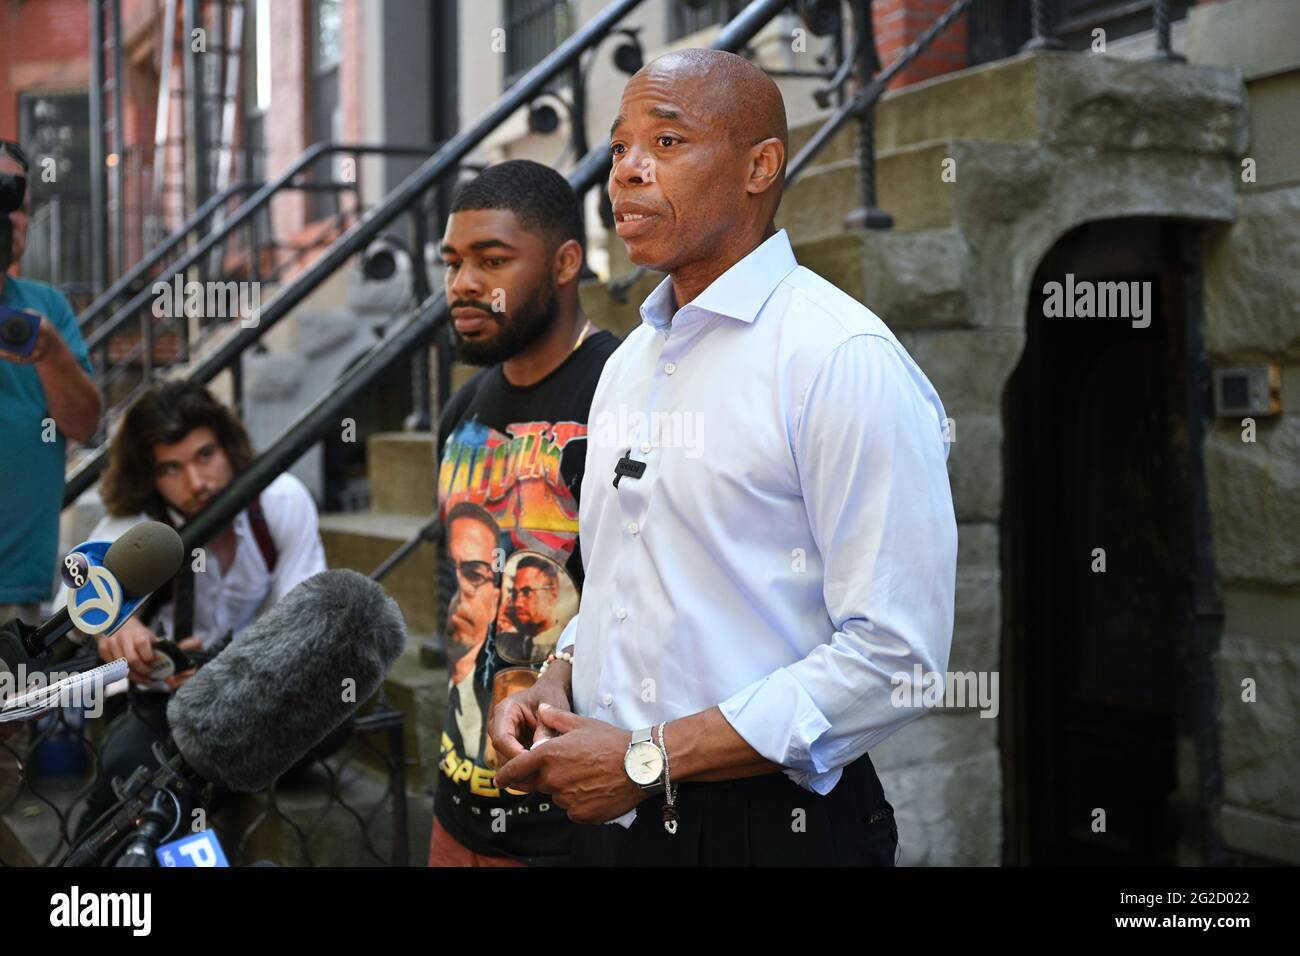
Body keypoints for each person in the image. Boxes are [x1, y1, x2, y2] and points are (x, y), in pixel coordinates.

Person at [490, 50, 959, 866]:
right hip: (610, 824)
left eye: (666, 145)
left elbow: (896, 658)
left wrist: (649, 758)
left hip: (773, 829)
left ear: (759, 166)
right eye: (620, 147)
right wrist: (557, 679)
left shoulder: (838, 356)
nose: (627, 172)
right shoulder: (630, 361)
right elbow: (620, 583)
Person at [429, 159, 619, 867]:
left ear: (567, 262)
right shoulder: (462, 410)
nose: (463, 284)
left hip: (577, 821)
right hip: (460, 803)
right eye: (453, 262)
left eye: (493, 260)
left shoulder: (619, 394)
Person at [64, 381, 327, 834]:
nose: (195, 482)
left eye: (205, 455)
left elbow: (303, 624)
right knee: (129, 771)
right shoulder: (136, 526)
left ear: (228, 446)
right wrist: (114, 625)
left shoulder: (280, 500)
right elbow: (74, 592)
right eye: (171, 468)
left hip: (258, 696)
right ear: (149, 476)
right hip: (161, 707)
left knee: (333, 711)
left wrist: (232, 676)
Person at [0, 138, 101, 626]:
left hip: (21, 586)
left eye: (14, 202)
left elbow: (84, 424)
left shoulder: (46, 308)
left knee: (19, 703)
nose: (6, 216)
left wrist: (51, 352)